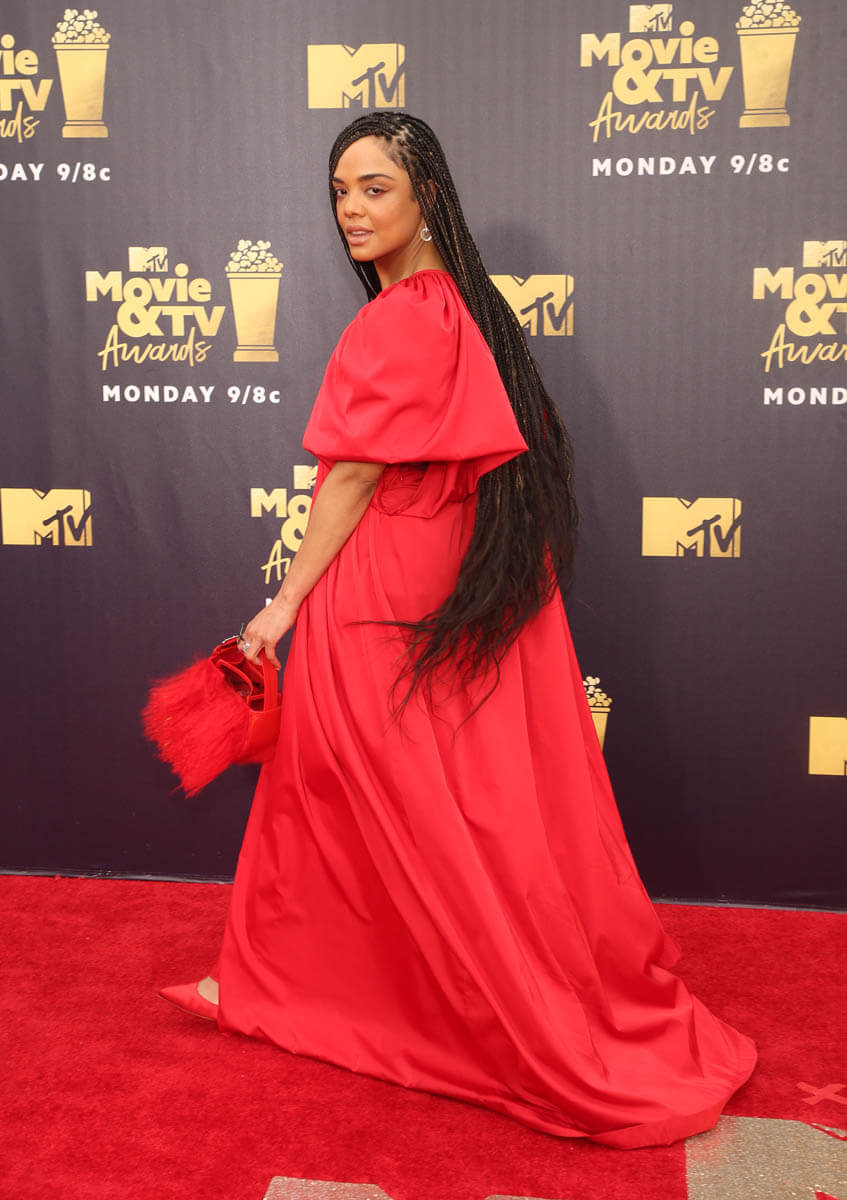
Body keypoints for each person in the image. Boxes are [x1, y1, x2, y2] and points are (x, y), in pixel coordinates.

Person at [158, 111, 757, 1149]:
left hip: (380, 590)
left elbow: (352, 475)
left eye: (375, 188)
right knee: (428, 805)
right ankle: (302, 982)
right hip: (437, 586)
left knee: (351, 798)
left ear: (426, 196)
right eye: (340, 190)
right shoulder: (460, 308)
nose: (351, 210)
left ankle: (333, 993)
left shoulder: (399, 319)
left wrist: (282, 604)